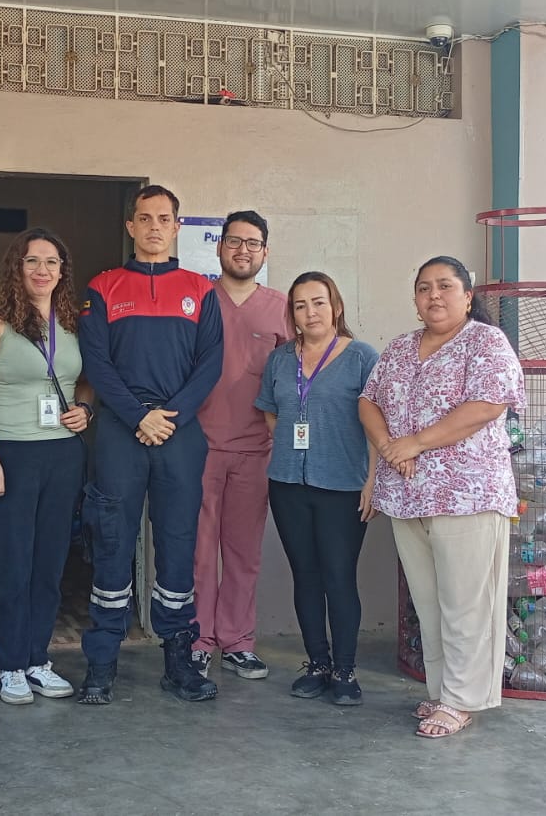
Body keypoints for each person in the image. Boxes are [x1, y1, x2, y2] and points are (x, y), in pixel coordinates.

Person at [359, 256, 526, 739]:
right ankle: (442, 690)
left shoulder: (486, 342)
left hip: (467, 493)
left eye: (445, 286)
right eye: (424, 287)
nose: (434, 295)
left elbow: (487, 405)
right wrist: (390, 447)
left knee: (466, 602)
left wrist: (415, 442)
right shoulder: (399, 347)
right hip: (407, 494)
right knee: (429, 602)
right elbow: (367, 401)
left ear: (468, 296)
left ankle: (463, 699)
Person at [76, 184, 224, 704]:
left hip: (179, 432)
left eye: (164, 218)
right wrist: (139, 416)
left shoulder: (201, 290)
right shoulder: (103, 287)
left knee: (178, 543)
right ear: (131, 227)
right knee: (112, 540)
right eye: (145, 218)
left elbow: (211, 364)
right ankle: (101, 663)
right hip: (121, 430)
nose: (154, 227)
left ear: (177, 226)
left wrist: (168, 418)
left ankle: (179, 661)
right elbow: (96, 364)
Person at [0, 228, 93, 705]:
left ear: (63, 271)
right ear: (16, 267)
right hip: (11, 453)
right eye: (32, 261)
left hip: (62, 454)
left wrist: (85, 409)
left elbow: (84, 381)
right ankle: (11, 665)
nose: (42, 270)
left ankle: (38, 659)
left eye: (52, 262)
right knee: (13, 563)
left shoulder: (72, 321)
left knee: (50, 562)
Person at [256, 271, 378, 705]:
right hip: (288, 483)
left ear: (336, 307)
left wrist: (372, 481)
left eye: (319, 302)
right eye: (300, 305)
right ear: (292, 314)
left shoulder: (362, 357)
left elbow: (379, 424)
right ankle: (317, 664)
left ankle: (345, 670)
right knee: (305, 575)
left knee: (338, 576)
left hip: (343, 486)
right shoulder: (279, 360)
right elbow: (271, 412)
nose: (310, 312)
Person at [192, 211, 289, 681]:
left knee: (243, 552)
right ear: (219, 246)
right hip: (198, 447)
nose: (242, 250)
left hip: (256, 450)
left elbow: (300, 373)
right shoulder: (196, 301)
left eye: (253, 243)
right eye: (234, 241)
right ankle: (197, 640)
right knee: (198, 552)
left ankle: (236, 642)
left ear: (265, 252)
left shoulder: (282, 308)